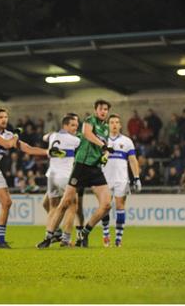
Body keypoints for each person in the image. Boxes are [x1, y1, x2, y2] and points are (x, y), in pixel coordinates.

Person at [0, 107, 64, 249]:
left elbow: (28, 149)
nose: (4, 119)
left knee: (7, 202)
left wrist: (48, 152)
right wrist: (16, 135)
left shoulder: (9, 135)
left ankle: (0, 240)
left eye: (5, 117)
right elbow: (7, 144)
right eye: (0, 117)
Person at [37, 99, 113, 248]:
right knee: (65, 203)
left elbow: (106, 147)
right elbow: (87, 134)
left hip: (95, 169)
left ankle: (84, 232)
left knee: (106, 205)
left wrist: (105, 155)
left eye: (106, 109)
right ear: (96, 110)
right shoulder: (89, 120)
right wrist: (102, 145)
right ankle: (49, 237)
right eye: (101, 109)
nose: (104, 111)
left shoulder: (105, 128)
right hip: (81, 167)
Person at [100, 114, 141, 247]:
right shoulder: (101, 140)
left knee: (120, 207)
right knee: (105, 207)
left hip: (121, 179)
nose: (114, 125)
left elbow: (133, 160)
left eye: (117, 122)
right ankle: (106, 234)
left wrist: (137, 178)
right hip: (104, 179)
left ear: (120, 125)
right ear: (107, 125)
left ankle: (118, 239)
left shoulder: (127, 141)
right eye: (112, 122)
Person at [42, 115, 80, 246]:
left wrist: (51, 135)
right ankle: (66, 239)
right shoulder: (74, 139)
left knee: (53, 206)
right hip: (65, 176)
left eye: (76, 125)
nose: (76, 128)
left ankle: (50, 235)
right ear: (66, 126)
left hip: (51, 175)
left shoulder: (53, 136)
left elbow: (44, 137)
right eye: (73, 125)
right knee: (72, 205)